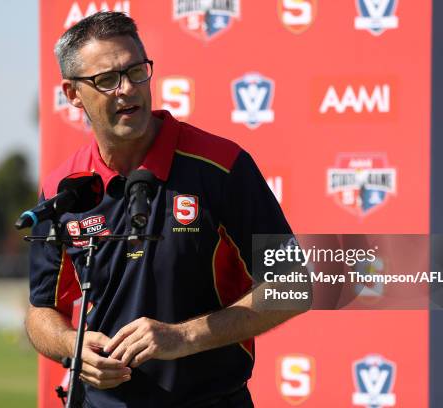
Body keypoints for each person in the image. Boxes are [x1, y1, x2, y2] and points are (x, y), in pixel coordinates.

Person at [25, 11, 310, 407]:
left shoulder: (222, 165)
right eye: (106, 80)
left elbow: (293, 286)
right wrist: (70, 346)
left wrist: (183, 337)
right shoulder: (62, 187)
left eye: (136, 71)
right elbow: (41, 312)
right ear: (72, 94)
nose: (127, 89)